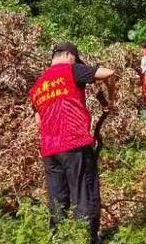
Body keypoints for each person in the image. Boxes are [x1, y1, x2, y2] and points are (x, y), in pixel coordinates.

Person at [29, 42, 115, 244]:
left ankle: (58, 238)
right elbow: (109, 73)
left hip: (50, 150)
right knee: (84, 194)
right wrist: (111, 99)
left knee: (57, 200)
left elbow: (38, 120)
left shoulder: (38, 85)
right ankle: (87, 239)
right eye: (75, 59)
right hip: (74, 143)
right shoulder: (70, 69)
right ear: (69, 55)